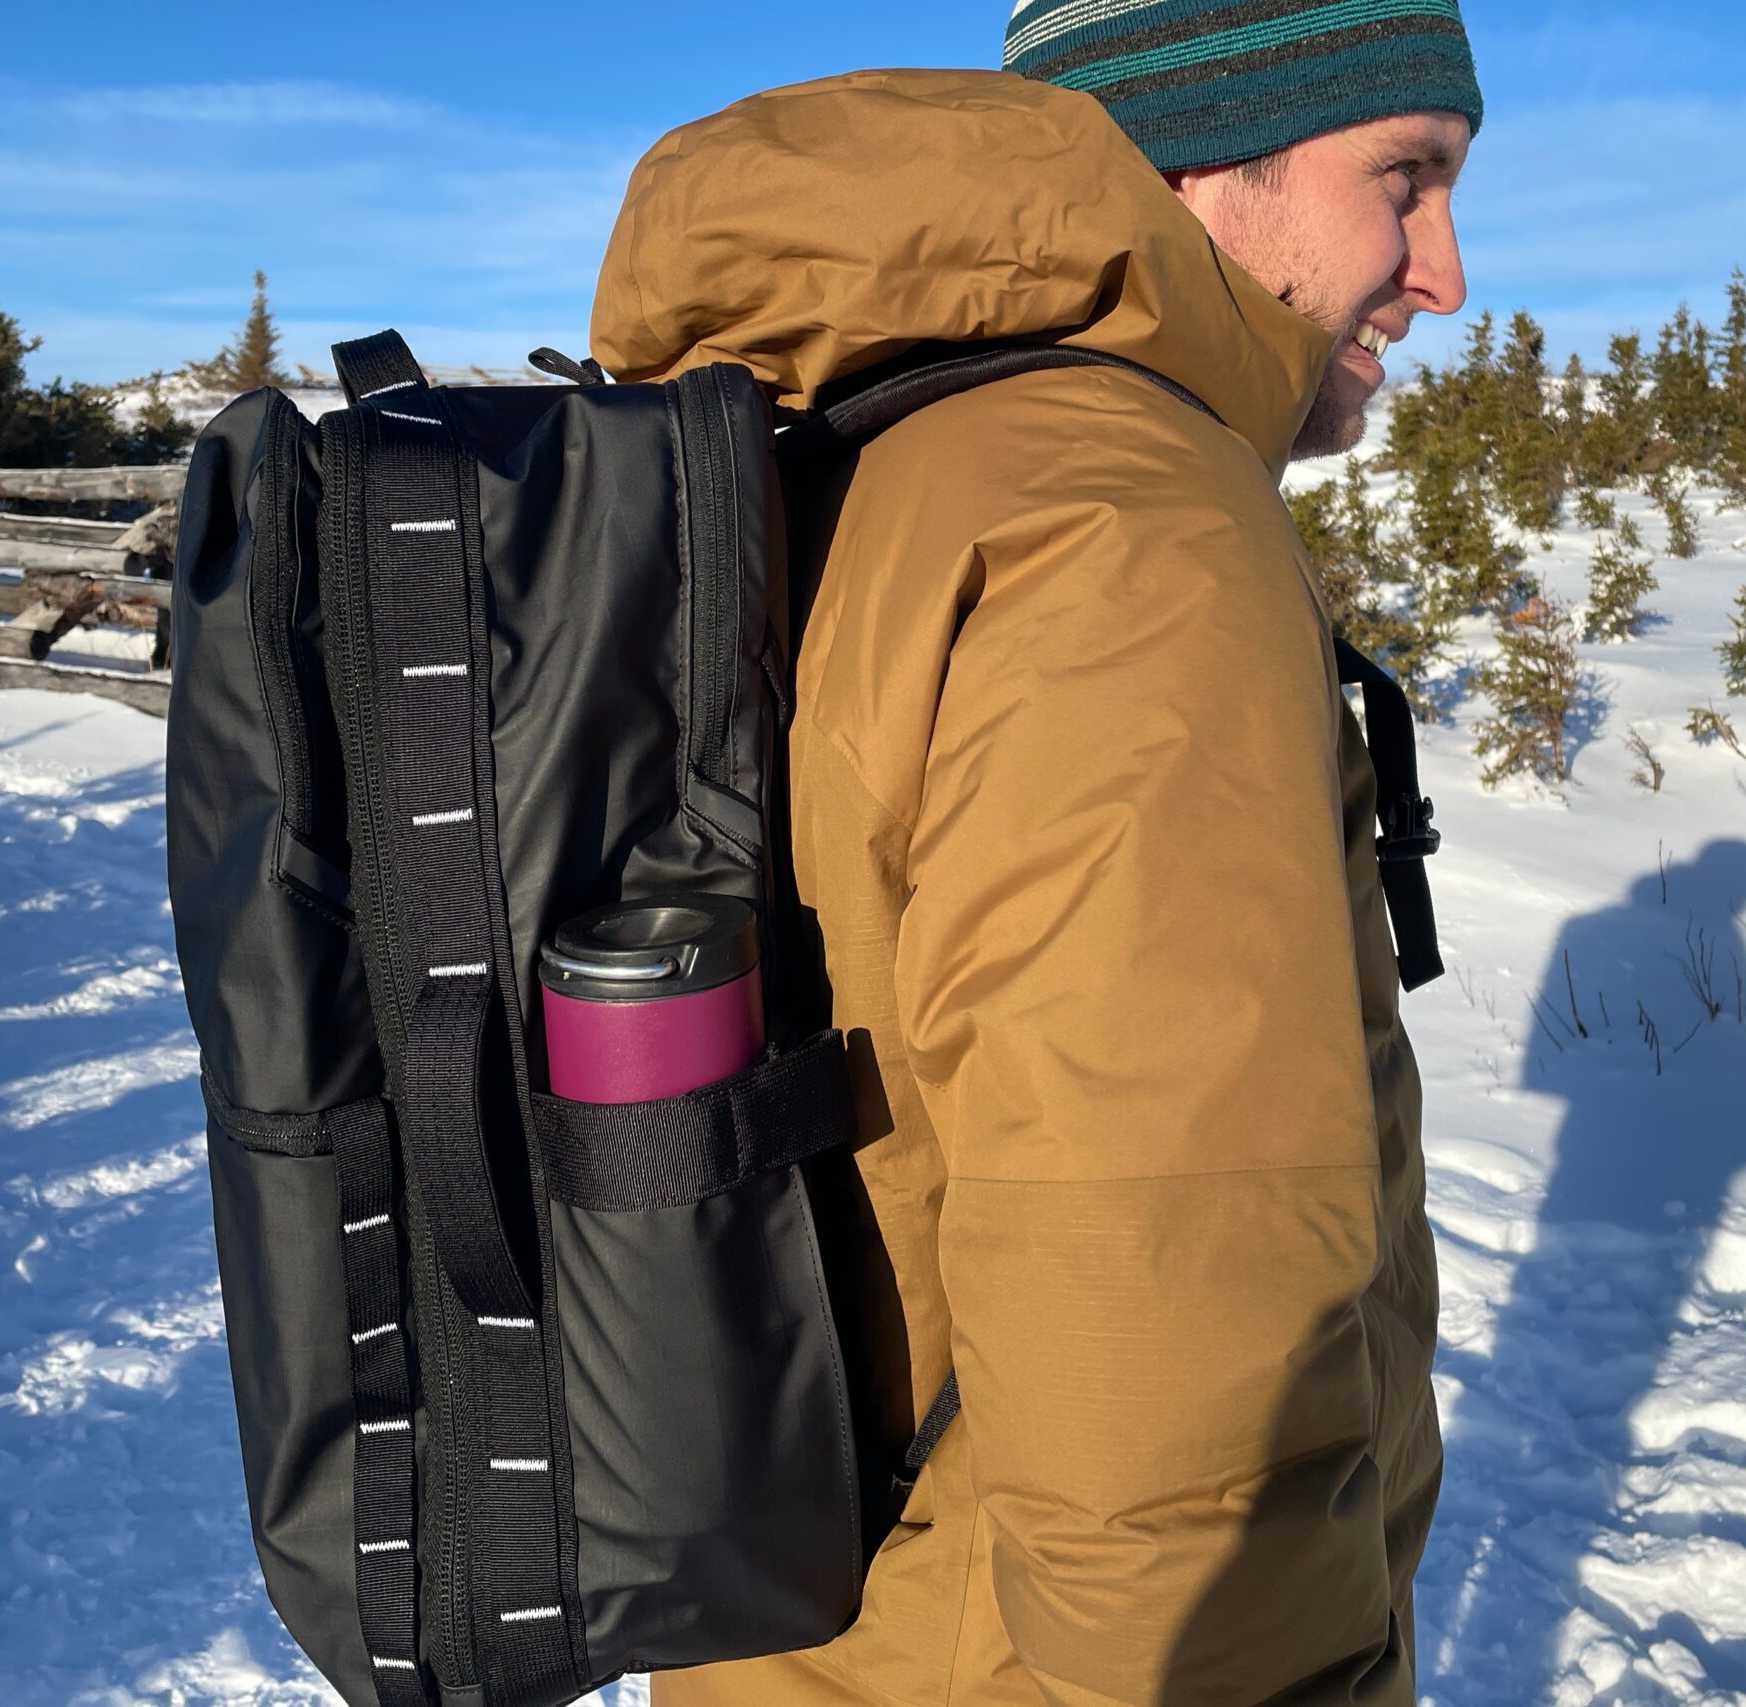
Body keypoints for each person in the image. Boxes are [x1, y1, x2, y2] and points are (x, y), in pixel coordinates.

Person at [585, 4, 1480, 1700]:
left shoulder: (856, 447)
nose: (1442, 270)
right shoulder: (1127, 528)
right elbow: (1160, 1324)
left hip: (802, 1629)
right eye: (1407, 180)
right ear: (1210, 150)